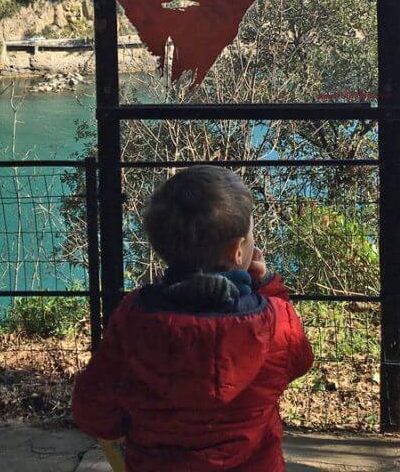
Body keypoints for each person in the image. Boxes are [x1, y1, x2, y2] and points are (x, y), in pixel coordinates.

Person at [72, 165, 314, 472]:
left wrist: (128, 425)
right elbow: (300, 360)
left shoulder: (134, 318)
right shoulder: (276, 321)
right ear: (238, 251)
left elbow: (91, 410)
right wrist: (269, 288)